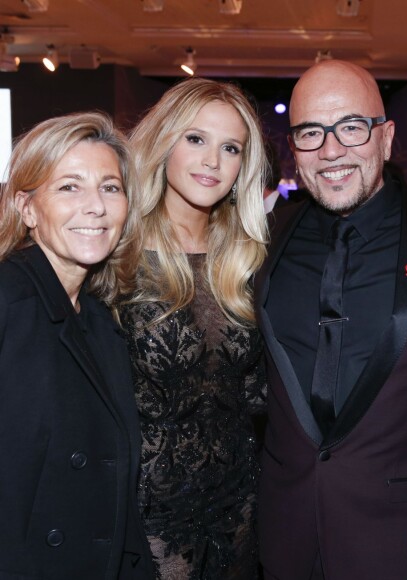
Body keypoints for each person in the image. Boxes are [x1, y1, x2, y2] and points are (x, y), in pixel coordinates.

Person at [254, 59, 407, 580]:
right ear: (293, 146)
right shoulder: (265, 237)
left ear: (387, 136)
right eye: (311, 132)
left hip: (394, 540)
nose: (331, 150)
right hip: (284, 537)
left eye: (351, 127)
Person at [118, 77, 268, 579]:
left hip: (240, 506)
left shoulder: (250, 259)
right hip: (147, 516)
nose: (212, 162)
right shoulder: (116, 252)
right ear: (164, 140)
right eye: (196, 139)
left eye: (231, 148)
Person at [0, 112, 154, 579]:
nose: (96, 207)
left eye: (110, 187)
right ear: (28, 210)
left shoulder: (101, 318)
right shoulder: (8, 301)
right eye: (69, 187)